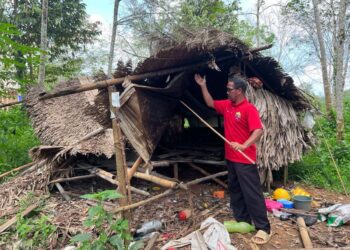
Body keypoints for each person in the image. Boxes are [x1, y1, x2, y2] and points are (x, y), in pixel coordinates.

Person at [194, 73, 271, 244]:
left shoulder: (248, 108)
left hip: (245, 159)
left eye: (229, 89)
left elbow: (258, 131)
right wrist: (202, 85)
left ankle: (264, 228)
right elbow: (210, 103)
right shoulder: (227, 106)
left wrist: (244, 145)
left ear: (239, 91)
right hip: (231, 158)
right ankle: (243, 220)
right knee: (235, 191)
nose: (227, 91)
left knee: (252, 194)